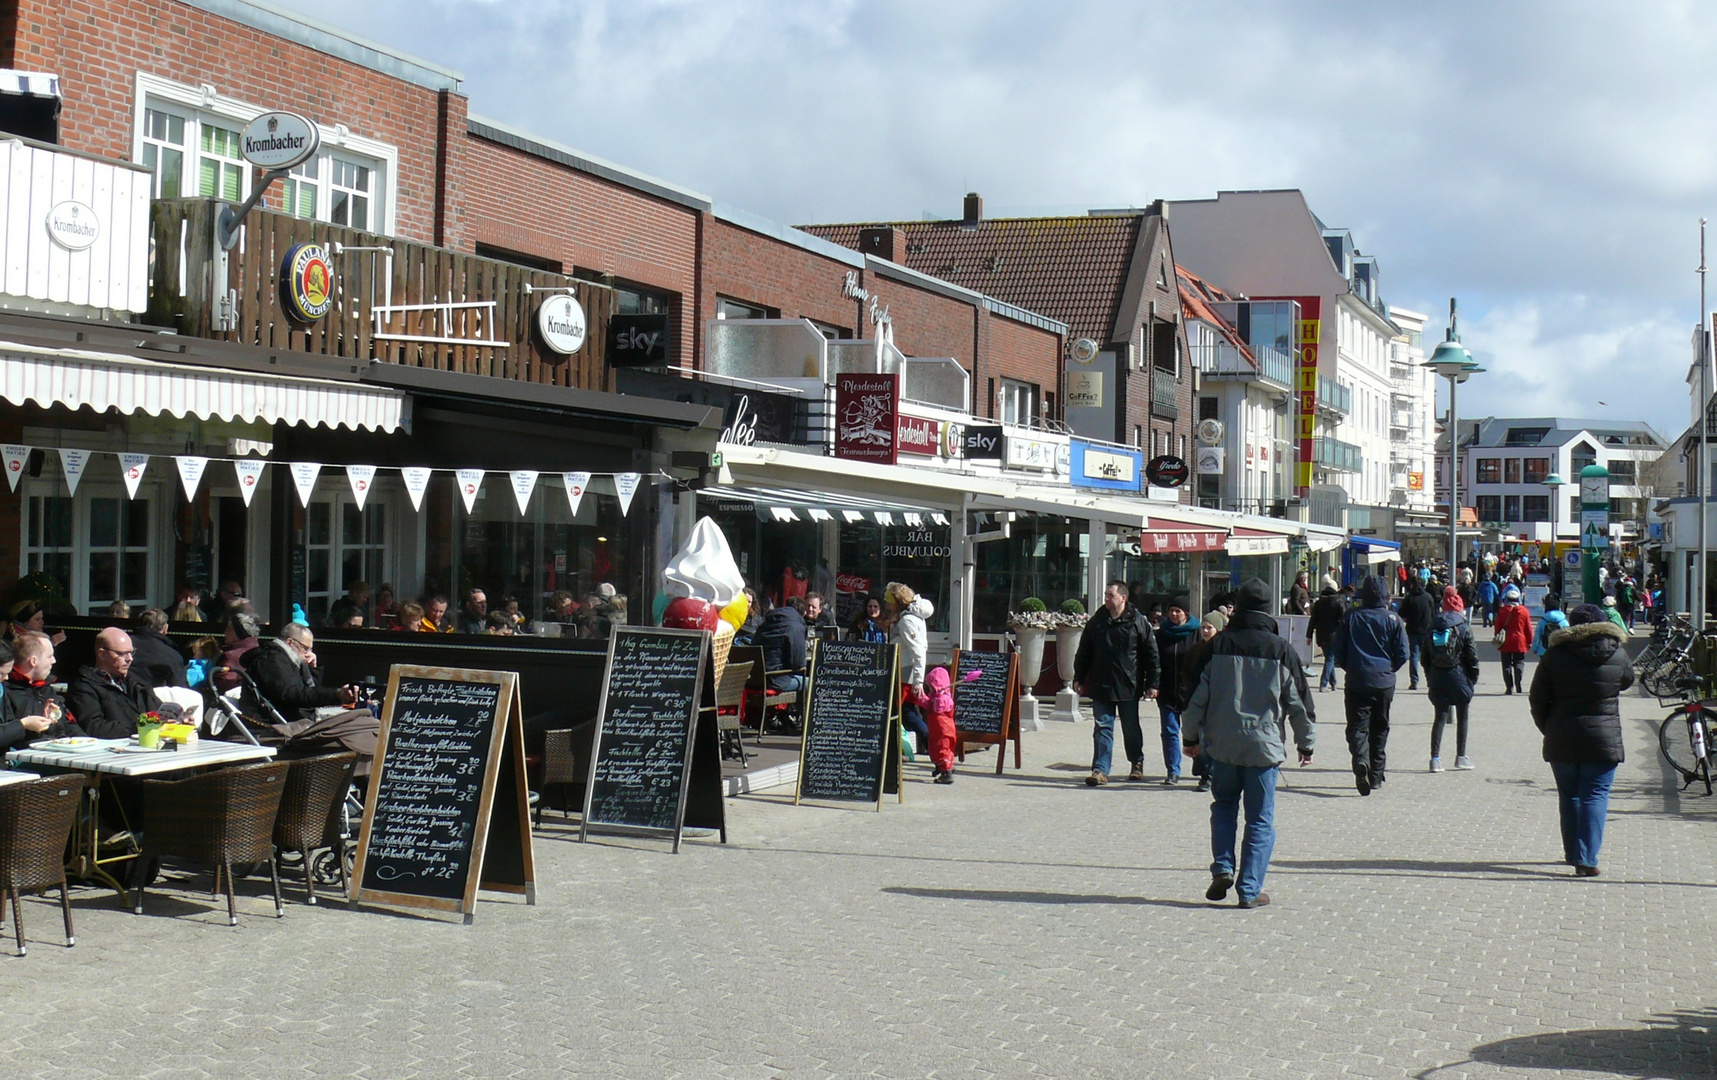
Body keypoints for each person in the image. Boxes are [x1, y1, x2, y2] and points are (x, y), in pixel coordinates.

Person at [1180, 578, 1314, 910]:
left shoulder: (1219, 645)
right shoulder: (1281, 649)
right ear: (1269, 610)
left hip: (1223, 745)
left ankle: (1223, 868)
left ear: (1237, 607)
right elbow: (1298, 702)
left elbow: (1198, 697)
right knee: (1259, 819)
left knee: (1223, 806)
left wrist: (1191, 737)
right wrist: (1305, 743)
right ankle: (1249, 889)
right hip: (1264, 748)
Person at [1528, 603, 1633, 877]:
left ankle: (1572, 853)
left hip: (1561, 736)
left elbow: (1537, 698)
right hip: (1603, 738)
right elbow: (1627, 681)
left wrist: (1547, 727)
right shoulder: (1617, 653)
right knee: (1595, 794)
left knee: (1569, 794)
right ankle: (1586, 858)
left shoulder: (1554, 655)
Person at [242, 622, 379, 774]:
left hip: (294, 725)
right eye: (305, 648)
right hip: (277, 730)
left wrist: (312, 670)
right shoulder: (273, 660)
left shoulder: (287, 659)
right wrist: (337, 694)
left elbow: (308, 692)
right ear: (290, 642)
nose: (309, 653)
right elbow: (294, 694)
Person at [1072, 580, 1160, 787]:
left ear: (1123, 598)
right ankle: (1100, 770)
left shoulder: (1137, 622)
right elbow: (1084, 651)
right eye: (1106, 595)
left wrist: (1153, 683)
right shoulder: (1097, 621)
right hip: (1101, 683)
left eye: (1111, 595)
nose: (1107, 599)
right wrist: (1079, 676)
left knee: (1130, 727)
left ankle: (1136, 763)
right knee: (1102, 726)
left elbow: (1151, 655)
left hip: (1128, 685)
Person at [1332, 574, 1408, 796]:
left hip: (1357, 678)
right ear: (1385, 595)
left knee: (1357, 726)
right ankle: (1375, 775)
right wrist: (1389, 669)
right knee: (1380, 727)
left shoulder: (1351, 617)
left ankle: (1361, 761)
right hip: (1383, 681)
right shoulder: (1393, 619)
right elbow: (1404, 653)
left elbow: (1338, 648)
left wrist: (1350, 666)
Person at [1424, 586, 1480, 772]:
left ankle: (1435, 759)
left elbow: (1424, 657)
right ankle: (1461, 757)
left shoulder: (1432, 626)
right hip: (1458, 676)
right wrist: (1472, 679)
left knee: (1439, 717)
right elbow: (1472, 657)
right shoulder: (1464, 627)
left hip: (1437, 676)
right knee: (1463, 716)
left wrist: (1429, 676)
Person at [65, 626, 158, 740]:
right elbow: (94, 727)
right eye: (122, 654)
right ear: (102, 654)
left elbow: (158, 711)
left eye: (131, 653)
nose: (130, 659)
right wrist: (139, 727)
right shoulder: (83, 685)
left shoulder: (137, 682)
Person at [0, 637, 81, 751]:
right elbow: (13, 738)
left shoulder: (46, 689)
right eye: (49, 656)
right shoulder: (8, 690)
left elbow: (70, 726)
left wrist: (41, 724)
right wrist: (23, 725)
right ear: (33, 661)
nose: (54, 661)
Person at [1153, 595, 1201, 785]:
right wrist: (1153, 685)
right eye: (1171, 610)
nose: (1173, 614)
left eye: (1178, 611)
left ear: (1186, 614)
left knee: (1195, 733)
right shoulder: (1161, 634)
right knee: (1170, 731)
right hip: (1167, 691)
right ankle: (1173, 770)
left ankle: (1201, 768)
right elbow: (1154, 661)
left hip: (1191, 693)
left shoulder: (1196, 633)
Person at [884, 582, 933, 753]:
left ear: (897, 601)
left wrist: (918, 681)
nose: (887, 605)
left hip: (905, 674)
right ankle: (930, 749)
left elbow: (918, 651)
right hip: (906, 672)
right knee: (909, 714)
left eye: (889, 601)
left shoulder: (907, 621)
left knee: (907, 715)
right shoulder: (909, 617)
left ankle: (934, 749)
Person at [755, 596, 809, 693]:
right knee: (812, 683)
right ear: (803, 613)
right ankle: (800, 709)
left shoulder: (766, 622)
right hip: (776, 680)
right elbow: (798, 664)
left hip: (755, 679)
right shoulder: (795, 627)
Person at [1396, 578, 1438, 692]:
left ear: (1412, 585)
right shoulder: (1428, 597)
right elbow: (1434, 614)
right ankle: (1430, 680)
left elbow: (1401, 613)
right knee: (1428, 656)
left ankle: (1414, 681)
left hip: (1413, 630)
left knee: (1414, 656)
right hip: (1427, 630)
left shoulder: (1409, 598)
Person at [130, 608, 187, 689]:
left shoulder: (123, 645)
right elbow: (180, 689)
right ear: (165, 628)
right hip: (154, 699)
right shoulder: (172, 656)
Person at [1493, 586, 1534, 695]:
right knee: (1519, 662)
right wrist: (1530, 641)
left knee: (1506, 664)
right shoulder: (1524, 611)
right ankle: (1518, 682)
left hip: (1506, 641)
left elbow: (1497, 627)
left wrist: (1497, 637)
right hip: (1520, 641)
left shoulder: (1502, 611)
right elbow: (1528, 628)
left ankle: (1509, 687)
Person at [921, 664, 957, 784]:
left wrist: (937, 697)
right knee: (935, 748)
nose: (929, 690)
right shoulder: (935, 697)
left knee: (943, 749)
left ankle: (947, 773)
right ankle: (940, 766)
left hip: (944, 730)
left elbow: (937, 706)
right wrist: (922, 698)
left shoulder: (943, 699)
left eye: (931, 687)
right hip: (936, 730)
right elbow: (929, 704)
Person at [213, 611, 263, 695]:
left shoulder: (230, 657)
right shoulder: (259, 651)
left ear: (238, 634)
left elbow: (224, 684)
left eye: (228, 629)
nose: (225, 632)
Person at [1306, 587, 1345, 692]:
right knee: (1330, 658)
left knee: (1329, 657)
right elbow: (1343, 620)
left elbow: (1312, 620)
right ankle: (1323, 684)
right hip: (1334, 635)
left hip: (1321, 635)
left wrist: (1309, 635)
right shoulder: (1338, 602)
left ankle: (1333, 683)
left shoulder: (1319, 604)